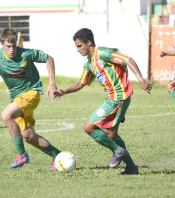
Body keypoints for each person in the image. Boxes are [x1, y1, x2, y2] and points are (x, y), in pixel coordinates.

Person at [53, 28, 152, 174]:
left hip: (119, 98)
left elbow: (128, 60)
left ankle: (118, 152)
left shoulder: (104, 53)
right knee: (111, 135)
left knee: (89, 127)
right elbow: (81, 83)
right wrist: (64, 91)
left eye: (80, 46)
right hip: (110, 100)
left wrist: (141, 79)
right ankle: (131, 167)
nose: (78, 50)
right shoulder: (89, 63)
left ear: (89, 42)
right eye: (76, 47)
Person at [0, 28, 61, 170]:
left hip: (32, 93)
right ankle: (59, 157)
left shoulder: (26, 54)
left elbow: (49, 58)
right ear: (2, 44)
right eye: (8, 46)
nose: (12, 49)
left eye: (14, 46)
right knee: (28, 136)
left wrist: (52, 83)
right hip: (16, 99)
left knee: (6, 115)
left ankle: (21, 155)